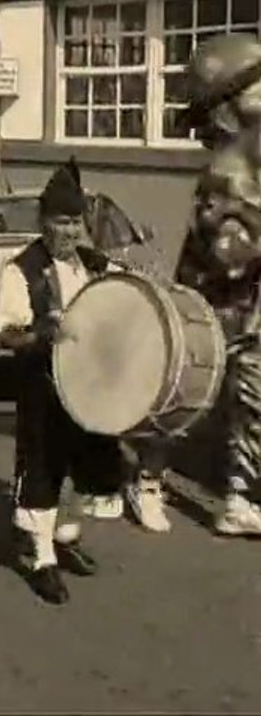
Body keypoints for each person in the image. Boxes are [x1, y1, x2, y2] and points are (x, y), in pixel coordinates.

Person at [0, 161, 124, 605]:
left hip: (86, 387)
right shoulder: (21, 270)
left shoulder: (95, 263)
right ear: (42, 222)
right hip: (42, 385)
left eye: (74, 222)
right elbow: (4, 335)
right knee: (42, 466)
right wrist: (41, 334)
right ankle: (39, 556)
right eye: (60, 222)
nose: (68, 232)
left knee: (80, 463)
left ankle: (63, 539)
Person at [175, 33, 261, 537]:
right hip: (234, 319)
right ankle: (239, 498)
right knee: (250, 394)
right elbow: (228, 259)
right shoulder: (226, 175)